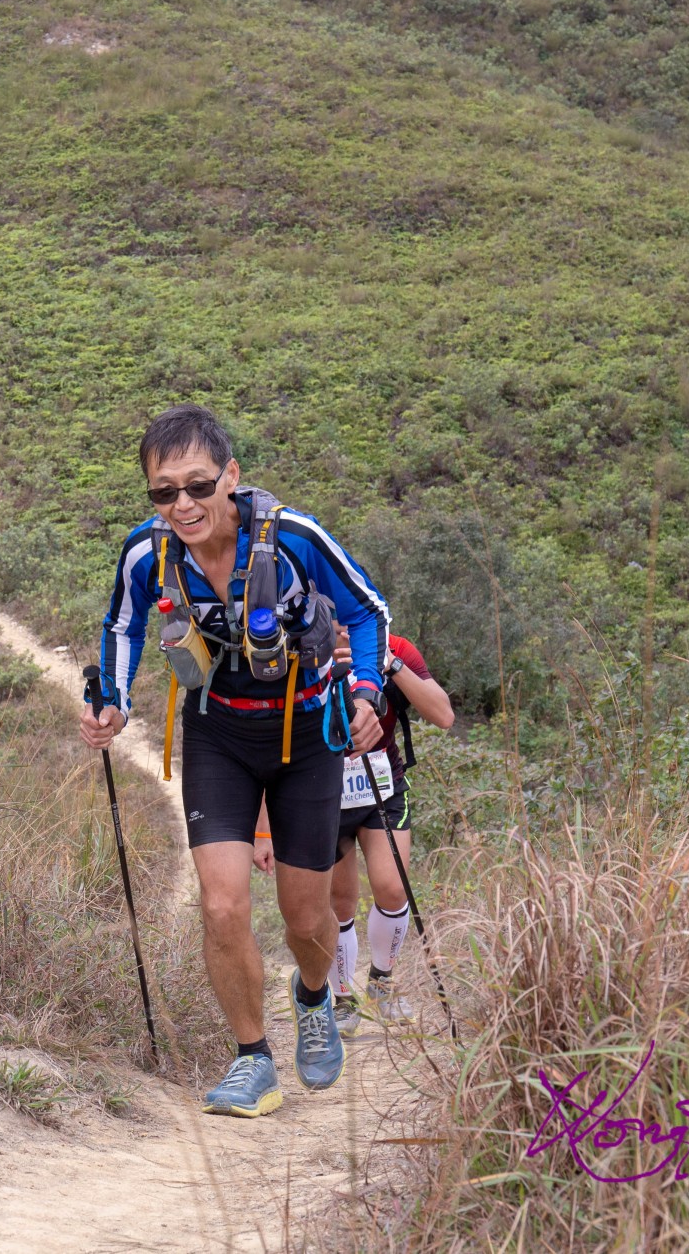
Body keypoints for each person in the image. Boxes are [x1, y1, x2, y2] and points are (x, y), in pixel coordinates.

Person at [81, 405, 389, 1117]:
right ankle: (253, 1059)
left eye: (198, 485)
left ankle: (313, 995)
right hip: (217, 732)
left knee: (306, 919)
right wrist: (113, 702)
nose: (183, 505)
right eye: (164, 492)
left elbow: (368, 610)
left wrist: (368, 691)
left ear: (231, 477)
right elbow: (122, 625)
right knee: (221, 904)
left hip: (308, 735)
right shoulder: (147, 553)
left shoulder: (295, 538)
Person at [309, 628, 452, 1031]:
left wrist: (390, 664)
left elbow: (444, 715)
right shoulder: (305, 650)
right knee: (340, 902)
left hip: (382, 786)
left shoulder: (396, 647)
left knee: (393, 888)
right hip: (324, 789)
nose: (342, 627)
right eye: (333, 614)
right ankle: (342, 998)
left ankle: (381, 981)